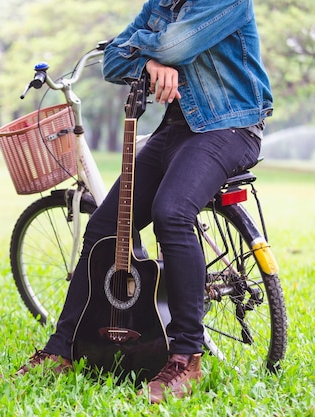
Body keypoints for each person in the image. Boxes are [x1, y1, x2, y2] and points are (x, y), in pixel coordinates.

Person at [14, 0, 272, 404]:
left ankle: (186, 356)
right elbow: (113, 61)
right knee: (103, 227)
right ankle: (61, 349)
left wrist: (146, 51)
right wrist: (149, 64)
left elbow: (175, 46)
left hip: (231, 126)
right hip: (176, 129)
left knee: (172, 212)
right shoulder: (161, 4)